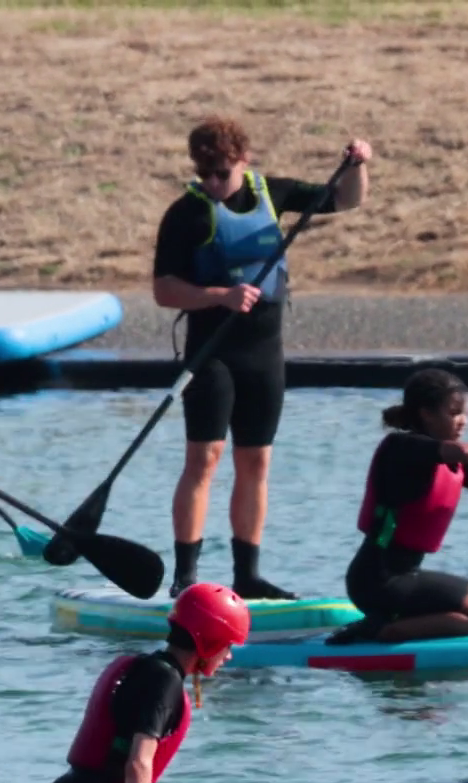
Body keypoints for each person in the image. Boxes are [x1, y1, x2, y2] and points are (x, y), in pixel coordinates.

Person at [153, 118, 374, 601]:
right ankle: (186, 578)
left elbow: (346, 199)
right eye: (205, 173)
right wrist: (220, 296)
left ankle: (247, 576)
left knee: (255, 461)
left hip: (263, 354)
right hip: (211, 353)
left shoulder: (274, 193)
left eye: (222, 173)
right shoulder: (186, 215)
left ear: (244, 161)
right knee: (204, 459)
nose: (214, 183)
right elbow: (164, 290)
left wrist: (358, 164)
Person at [4, 583, 251, 783]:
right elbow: (138, 763)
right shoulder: (165, 683)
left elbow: (117, 768)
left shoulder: (150, 670)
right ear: (210, 640)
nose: (229, 655)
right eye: (228, 645)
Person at [327, 370, 468, 646]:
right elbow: (466, 451)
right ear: (426, 414)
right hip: (377, 579)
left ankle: (390, 619)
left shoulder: (450, 459)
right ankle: (381, 630)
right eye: (454, 413)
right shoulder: (402, 447)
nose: (464, 421)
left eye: (465, 413)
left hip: (405, 573)